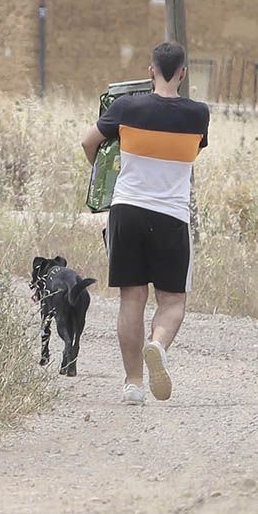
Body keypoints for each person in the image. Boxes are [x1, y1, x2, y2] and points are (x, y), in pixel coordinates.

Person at [80, 41, 210, 405]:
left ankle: (133, 383)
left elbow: (88, 142)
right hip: (171, 216)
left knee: (131, 300)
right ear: (183, 73)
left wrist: (103, 170)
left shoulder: (125, 107)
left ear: (150, 70)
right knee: (172, 303)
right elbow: (193, 150)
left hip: (127, 212)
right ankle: (158, 344)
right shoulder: (199, 115)